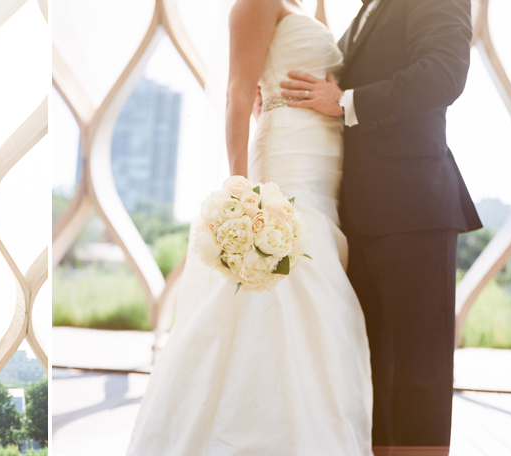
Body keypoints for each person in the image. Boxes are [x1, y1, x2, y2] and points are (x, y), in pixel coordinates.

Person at [127, 0, 374, 454]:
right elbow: (239, 91)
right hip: (289, 157)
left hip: (327, 160)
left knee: (319, 293)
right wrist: (240, 189)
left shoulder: (305, 3)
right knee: (286, 289)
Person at [280, 0, 481, 449]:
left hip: (414, 207)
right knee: (370, 367)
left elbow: (444, 73)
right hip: (354, 211)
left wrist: (347, 100)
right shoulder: (368, 10)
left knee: (420, 369)